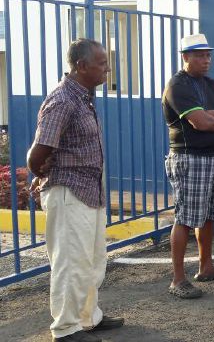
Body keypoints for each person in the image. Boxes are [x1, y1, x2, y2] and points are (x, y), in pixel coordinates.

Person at [27, 39, 124, 342]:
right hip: (69, 192)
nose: (107, 68)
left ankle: (87, 318)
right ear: (82, 66)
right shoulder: (63, 100)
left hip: (87, 192)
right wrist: (42, 173)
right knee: (71, 262)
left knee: (92, 260)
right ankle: (66, 328)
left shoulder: (83, 97)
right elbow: (36, 155)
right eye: (102, 63)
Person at [161, 34, 214, 299]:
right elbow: (201, 123)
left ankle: (206, 266)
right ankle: (177, 279)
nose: (206, 60)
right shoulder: (177, 86)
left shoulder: (211, 84)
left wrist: (211, 113)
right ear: (185, 56)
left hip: (213, 157)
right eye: (199, 55)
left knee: (208, 215)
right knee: (185, 217)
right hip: (190, 158)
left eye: (208, 55)